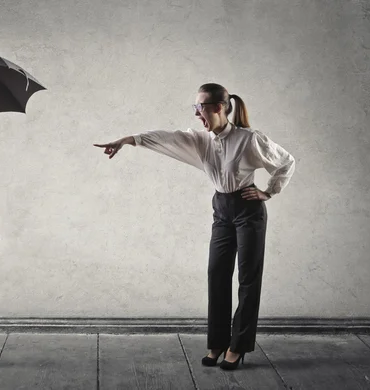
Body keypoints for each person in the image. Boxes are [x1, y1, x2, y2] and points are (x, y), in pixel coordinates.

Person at [94, 83, 295, 371]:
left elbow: (286, 162)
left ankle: (237, 347)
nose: (197, 113)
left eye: (200, 107)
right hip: (222, 211)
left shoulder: (249, 139)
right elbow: (168, 137)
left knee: (249, 279)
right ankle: (217, 342)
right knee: (217, 273)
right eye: (195, 107)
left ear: (219, 107)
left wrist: (269, 191)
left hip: (248, 211)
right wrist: (127, 140)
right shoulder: (201, 141)